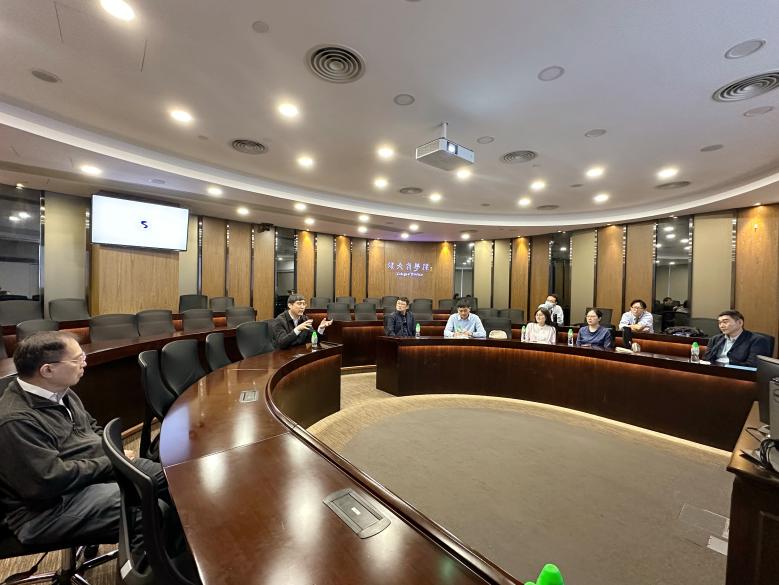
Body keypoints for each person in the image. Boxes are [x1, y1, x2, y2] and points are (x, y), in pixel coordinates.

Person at [0, 331, 167, 547]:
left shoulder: (60, 391)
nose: (84, 363)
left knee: (168, 479)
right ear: (47, 370)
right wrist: (111, 463)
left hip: (86, 475)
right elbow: (47, 481)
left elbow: (91, 427)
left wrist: (115, 458)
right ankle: (149, 565)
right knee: (152, 510)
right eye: (78, 359)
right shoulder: (15, 421)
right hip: (46, 511)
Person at [702, 310, 771, 367]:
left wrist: (725, 366)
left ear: (740, 323)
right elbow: (706, 359)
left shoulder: (757, 340)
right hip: (713, 371)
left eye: (725, 322)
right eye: (719, 323)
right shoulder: (715, 339)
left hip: (737, 375)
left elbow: (752, 365)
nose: (721, 326)